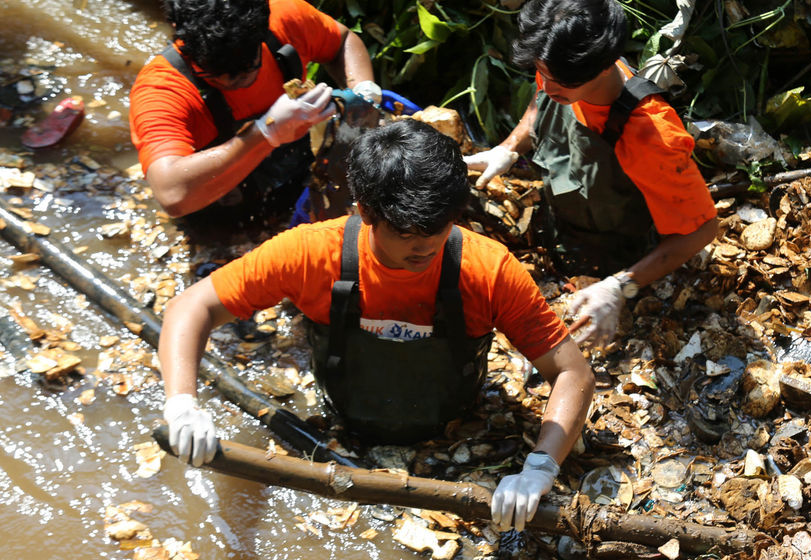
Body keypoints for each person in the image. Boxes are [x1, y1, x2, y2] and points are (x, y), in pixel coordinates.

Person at [158, 120, 596, 532]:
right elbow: (190, 308)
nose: (425, 245)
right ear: (365, 211)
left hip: (451, 424)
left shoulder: (489, 269)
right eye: (406, 232)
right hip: (341, 421)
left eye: (438, 227)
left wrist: (540, 467)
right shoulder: (310, 254)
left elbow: (572, 372)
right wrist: (182, 404)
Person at [464, 0, 719, 346]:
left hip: (624, 260)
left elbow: (702, 230)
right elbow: (540, 100)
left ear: (601, 69)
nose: (547, 86)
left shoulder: (652, 135)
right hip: (564, 224)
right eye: (543, 74)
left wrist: (620, 286)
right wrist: (507, 150)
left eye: (557, 83)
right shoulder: (562, 66)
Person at [129, 0, 380, 233]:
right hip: (220, 214)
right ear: (180, 37)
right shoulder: (161, 89)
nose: (236, 80)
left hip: (298, 178)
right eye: (216, 72)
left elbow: (343, 41)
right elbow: (171, 194)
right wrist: (265, 132)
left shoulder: (285, 17)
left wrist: (363, 92)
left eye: (248, 65)